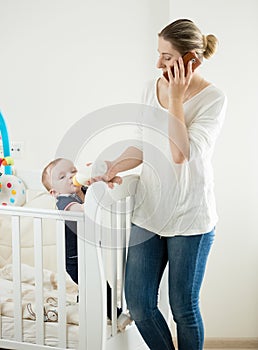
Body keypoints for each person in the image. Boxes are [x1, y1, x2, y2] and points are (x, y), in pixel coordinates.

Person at [94, 19, 227, 350]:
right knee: (139, 305)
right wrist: (113, 165)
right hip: (149, 211)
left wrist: (177, 100)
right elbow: (141, 145)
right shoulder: (149, 88)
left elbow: (180, 153)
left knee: (183, 308)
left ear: (191, 59)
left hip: (190, 217)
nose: (158, 64)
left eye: (167, 57)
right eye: (159, 55)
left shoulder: (213, 98)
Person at [41, 158, 131, 331]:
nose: (71, 176)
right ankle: (117, 315)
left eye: (73, 171)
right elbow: (82, 210)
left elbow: (103, 196)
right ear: (54, 192)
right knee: (99, 285)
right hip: (75, 260)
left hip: (89, 252)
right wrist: (92, 193)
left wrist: (102, 181)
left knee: (92, 283)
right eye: (62, 176)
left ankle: (84, 301)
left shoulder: (82, 190)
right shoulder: (63, 202)